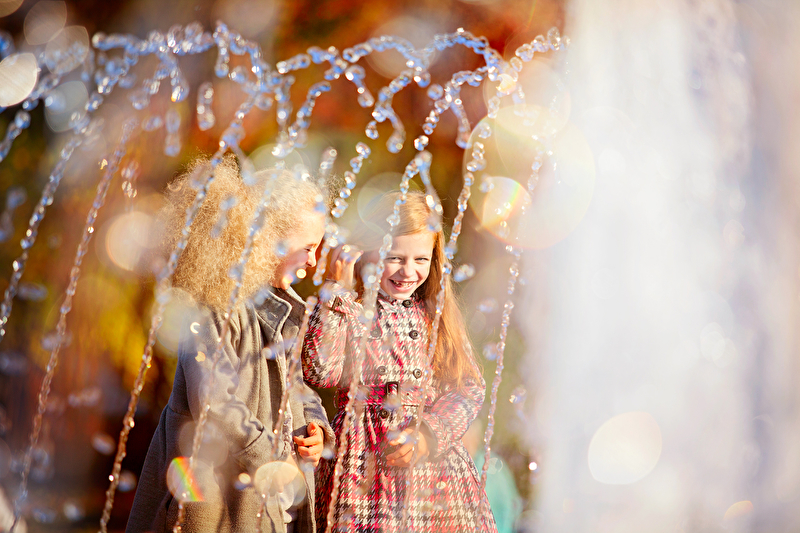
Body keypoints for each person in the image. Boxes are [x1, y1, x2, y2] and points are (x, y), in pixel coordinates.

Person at [126, 157, 334, 533]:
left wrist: (315, 426)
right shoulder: (215, 304)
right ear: (269, 238)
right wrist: (270, 456)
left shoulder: (282, 309)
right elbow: (214, 399)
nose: (313, 260)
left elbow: (296, 386)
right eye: (308, 247)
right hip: (215, 498)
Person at [302, 190, 498, 532]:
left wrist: (428, 435)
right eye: (394, 257)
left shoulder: (436, 316)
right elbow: (320, 371)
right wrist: (333, 291)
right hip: (362, 470)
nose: (408, 271)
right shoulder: (348, 309)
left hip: (431, 474)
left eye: (421, 259)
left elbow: (469, 387)